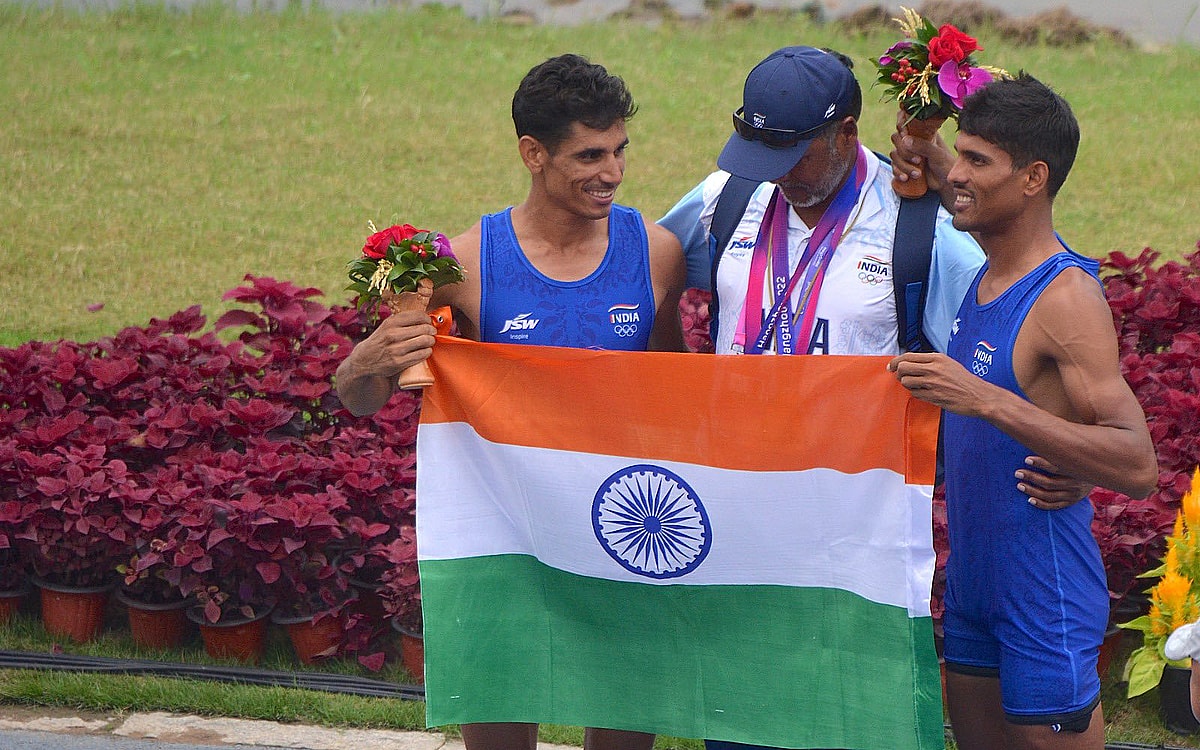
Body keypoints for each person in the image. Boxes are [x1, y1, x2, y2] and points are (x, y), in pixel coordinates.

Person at [655, 46, 1093, 750]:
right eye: (759, 153)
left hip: (856, 525)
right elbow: (638, 264)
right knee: (740, 715)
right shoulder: (726, 196)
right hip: (741, 511)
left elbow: (1034, 304)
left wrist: (1067, 445)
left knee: (850, 720)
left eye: (794, 156)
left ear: (847, 134)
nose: (777, 176)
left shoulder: (922, 223)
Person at [335, 53, 683, 750]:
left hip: (623, 524)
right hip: (507, 533)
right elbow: (360, 396)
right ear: (533, 153)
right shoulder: (462, 266)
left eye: (619, 151)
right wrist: (370, 358)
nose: (611, 172)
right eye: (589, 155)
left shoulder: (655, 252)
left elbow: (677, 385)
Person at [888, 73, 1158, 750]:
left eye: (979, 161)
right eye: (964, 156)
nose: (961, 176)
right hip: (976, 582)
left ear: (1034, 178)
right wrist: (930, 147)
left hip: (1044, 587)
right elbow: (970, 186)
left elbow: (1137, 461)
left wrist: (984, 400)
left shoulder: (1065, 299)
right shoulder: (994, 263)